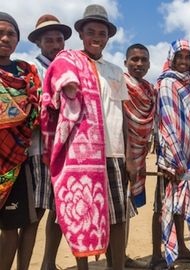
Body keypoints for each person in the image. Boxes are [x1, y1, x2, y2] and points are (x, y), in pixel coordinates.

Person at [40, 4, 135, 270]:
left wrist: (129, 156)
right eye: (90, 31)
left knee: (118, 217)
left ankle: (116, 266)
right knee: (82, 215)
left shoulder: (116, 72)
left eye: (101, 33)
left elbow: (122, 115)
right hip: (80, 156)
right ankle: (82, 268)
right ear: (81, 34)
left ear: (108, 37)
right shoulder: (68, 62)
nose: (96, 37)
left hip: (114, 154)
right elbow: (55, 88)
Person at [150, 39, 190, 269]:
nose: (183, 62)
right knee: (162, 205)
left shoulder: (188, 86)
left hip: (188, 156)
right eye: (179, 57)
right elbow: (166, 121)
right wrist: (175, 156)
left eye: (187, 57)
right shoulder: (165, 83)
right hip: (170, 157)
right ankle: (157, 254)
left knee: (181, 203)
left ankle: (181, 247)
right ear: (171, 58)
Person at [27, 14, 72, 270]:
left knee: (58, 210)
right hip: (37, 151)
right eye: (49, 40)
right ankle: (23, 262)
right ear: (38, 43)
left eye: (59, 40)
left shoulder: (69, 68)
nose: (55, 45)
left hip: (64, 151)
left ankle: (48, 263)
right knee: (35, 212)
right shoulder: (32, 69)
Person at [0, 12, 40, 270]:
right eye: (0, 32)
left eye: (11, 33)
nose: (5, 38)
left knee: (14, 224)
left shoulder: (26, 74)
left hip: (17, 158)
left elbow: (36, 111)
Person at [122, 43, 156, 268]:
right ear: (126, 62)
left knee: (125, 208)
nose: (139, 64)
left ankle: (120, 255)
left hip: (140, 154)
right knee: (116, 209)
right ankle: (116, 258)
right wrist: (127, 157)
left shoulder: (150, 90)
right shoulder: (120, 83)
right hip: (119, 153)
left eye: (143, 60)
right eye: (134, 59)